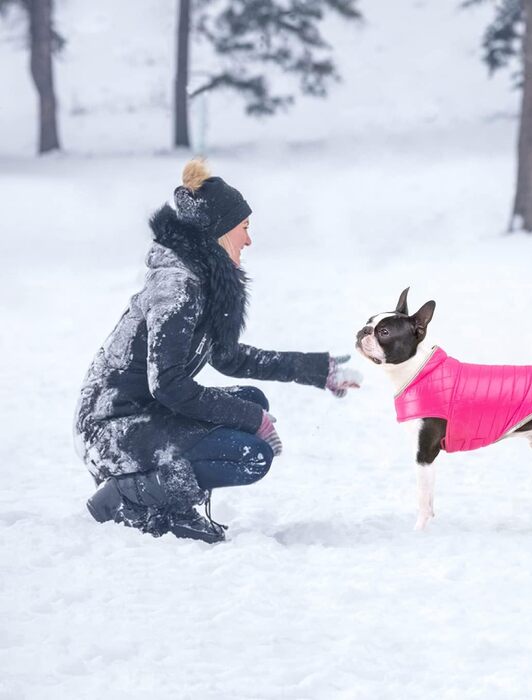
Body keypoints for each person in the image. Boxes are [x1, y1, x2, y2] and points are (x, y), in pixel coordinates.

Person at [74, 158, 361, 543]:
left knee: (251, 400)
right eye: (244, 228)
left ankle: (158, 492)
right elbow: (169, 385)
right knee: (250, 454)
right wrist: (251, 418)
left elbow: (228, 358)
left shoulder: (200, 280)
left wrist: (314, 369)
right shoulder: (177, 288)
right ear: (220, 231)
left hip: (142, 417)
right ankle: (130, 498)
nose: (248, 239)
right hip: (109, 430)